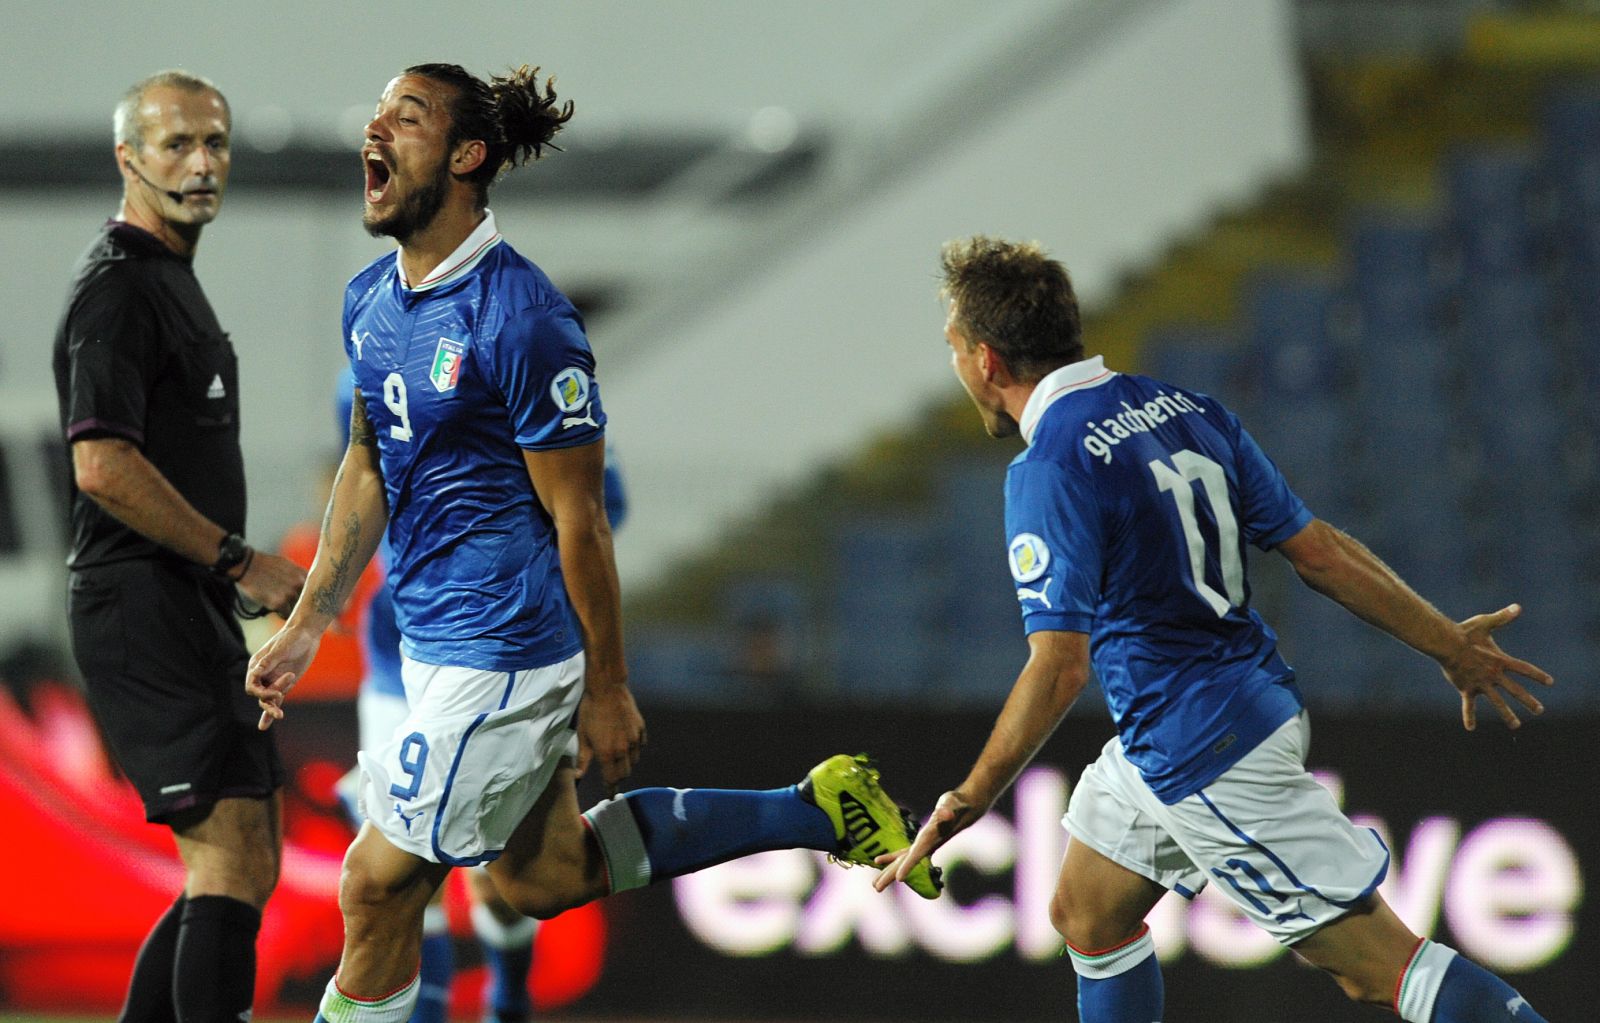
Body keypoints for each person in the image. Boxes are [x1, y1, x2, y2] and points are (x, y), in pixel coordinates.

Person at [244, 62, 940, 1023]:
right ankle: (814, 807)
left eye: (405, 118)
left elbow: (583, 519)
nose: (375, 130)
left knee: (375, 886)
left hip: (505, 653)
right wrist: (312, 617)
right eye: (376, 114)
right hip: (435, 646)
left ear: (466, 155)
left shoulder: (524, 317)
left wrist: (607, 687)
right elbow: (368, 462)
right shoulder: (371, 300)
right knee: (541, 877)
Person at [875, 236, 1554, 1023]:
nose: (956, 367)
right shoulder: (1183, 409)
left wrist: (968, 797)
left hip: (1202, 750)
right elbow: (1321, 553)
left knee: (1380, 968)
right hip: (1221, 708)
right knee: (1087, 911)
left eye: (955, 349)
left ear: (987, 360)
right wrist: (1448, 641)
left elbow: (1059, 667)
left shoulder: (1050, 467)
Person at [51, 70, 306, 1023]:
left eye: (216, 143)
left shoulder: (167, 282)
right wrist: (240, 561)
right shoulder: (118, 293)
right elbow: (101, 466)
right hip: (139, 603)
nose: (202, 164)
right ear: (130, 158)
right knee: (231, 855)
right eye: (176, 146)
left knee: (244, 861)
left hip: (181, 604)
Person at [330, 366, 632, 1023]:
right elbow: (359, 485)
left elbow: (592, 516)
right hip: (398, 658)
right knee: (400, 883)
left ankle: (509, 996)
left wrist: (591, 678)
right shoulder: (368, 361)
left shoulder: (528, 364)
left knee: (503, 882)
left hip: (502, 655)